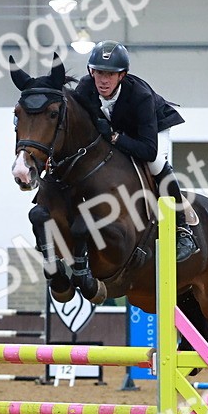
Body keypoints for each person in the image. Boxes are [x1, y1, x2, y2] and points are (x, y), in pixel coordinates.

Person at [73, 41, 198, 262]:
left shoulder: (141, 96)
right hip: (117, 130)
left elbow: (148, 150)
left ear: (122, 75)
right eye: (99, 72)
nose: (103, 80)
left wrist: (113, 137)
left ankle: (182, 229)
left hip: (151, 130)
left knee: (156, 164)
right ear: (91, 71)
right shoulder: (84, 89)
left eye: (110, 74)